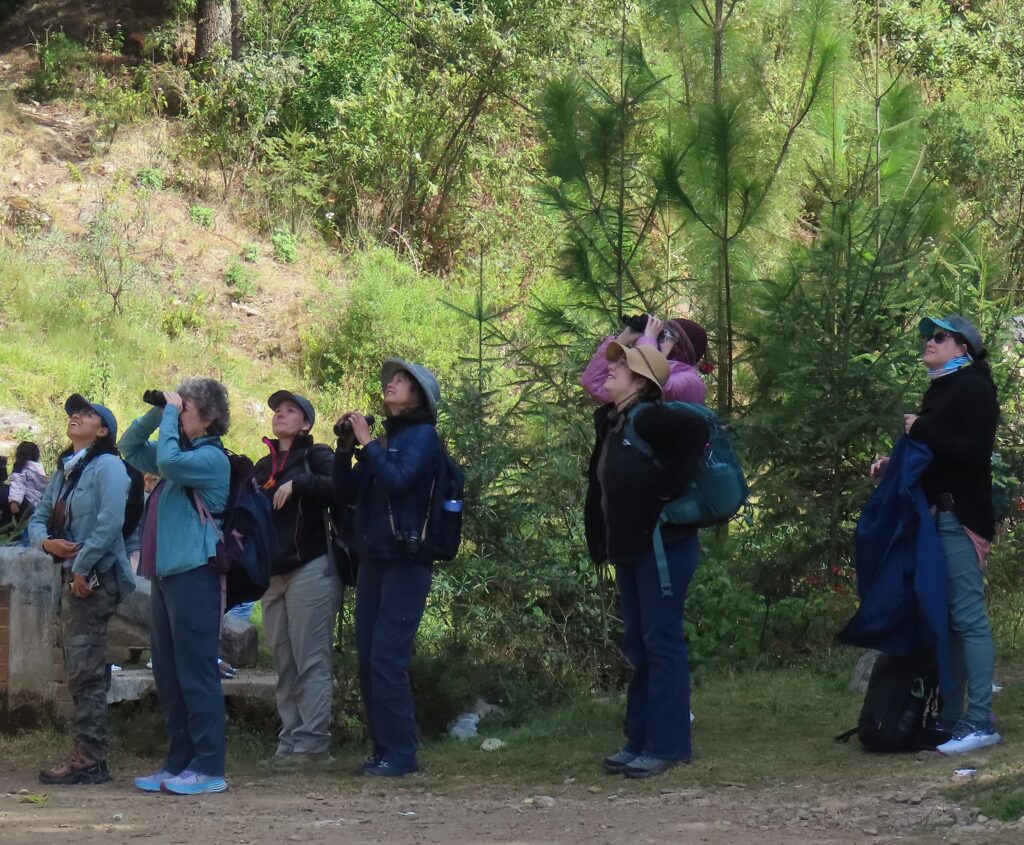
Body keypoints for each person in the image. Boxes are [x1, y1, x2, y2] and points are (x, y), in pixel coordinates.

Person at [870, 315, 1000, 755]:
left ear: (963, 347)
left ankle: (980, 721)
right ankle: (950, 719)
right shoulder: (942, 388)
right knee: (951, 625)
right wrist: (894, 467)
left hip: (960, 517)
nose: (929, 342)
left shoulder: (975, 387)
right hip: (937, 515)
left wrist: (921, 430)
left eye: (939, 337)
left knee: (968, 620)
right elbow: (939, 456)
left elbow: (974, 453)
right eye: (928, 336)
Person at [584, 343, 709, 778]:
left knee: (662, 643)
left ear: (642, 382)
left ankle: (669, 745)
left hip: (664, 549)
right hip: (634, 550)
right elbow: (592, 383)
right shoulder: (618, 420)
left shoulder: (651, 417)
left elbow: (695, 435)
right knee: (639, 645)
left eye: (622, 366)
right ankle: (639, 739)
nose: (611, 369)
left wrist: (664, 491)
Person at [119, 378, 232, 795]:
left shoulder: (210, 459)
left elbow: (164, 462)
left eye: (186, 408)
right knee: (168, 674)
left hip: (196, 575)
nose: (178, 413)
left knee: (196, 672)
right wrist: (157, 409)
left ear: (211, 416)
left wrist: (169, 415)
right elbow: (130, 447)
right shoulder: (179, 452)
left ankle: (209, 766)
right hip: (166, 577)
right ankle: (179, 761)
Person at [333, 358, 443, 777]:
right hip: (374, 560)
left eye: (402, 381)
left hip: (406, 560)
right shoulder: (385, 440)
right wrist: (346, 452)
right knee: (367, 658)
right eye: (391, 380)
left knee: (387, 657)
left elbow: (399, 480)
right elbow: (345, 493)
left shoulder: (423, 437)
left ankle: (401, 753)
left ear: (418, 395)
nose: (391, 384)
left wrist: (369, 444)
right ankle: (381, 751)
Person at [30, 395, 134, 785]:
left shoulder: (109, 466)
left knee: (85, 669)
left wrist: (81, 566)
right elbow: (38, 518)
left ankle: (90, 757)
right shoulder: (65, 470)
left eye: (88, 414)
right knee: (80, 667)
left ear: (103, 431)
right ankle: (89, 754)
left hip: (95, 578)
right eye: (74, 412)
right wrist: (47, 544)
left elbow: (110, 523)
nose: (76, 416)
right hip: (72, 575)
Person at [255, 390, 341, 770]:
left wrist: (300, 484)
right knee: (284, 662)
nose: (281, 415)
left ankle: (314, 746)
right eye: (277, 410)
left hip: (312, 567)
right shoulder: (263, 465)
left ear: (306, 423)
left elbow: (342, 487)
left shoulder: (316, 455)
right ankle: (289, 743)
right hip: (273, 575)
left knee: (311, 659)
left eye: (290, 411)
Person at [581, 314, 709, 404]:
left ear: (681, 348)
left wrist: (649, 339)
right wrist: (621, 341)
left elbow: (650, 384)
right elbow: (592, 383)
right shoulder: (646, 370)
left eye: (665, 335)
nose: (658, 339)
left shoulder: (691, 382)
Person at [7, 441, 48, 517]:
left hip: (26, 503)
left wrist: (14, 502)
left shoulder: (22, 468)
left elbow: (17, 484)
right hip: (38, 504)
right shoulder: (39, 468)